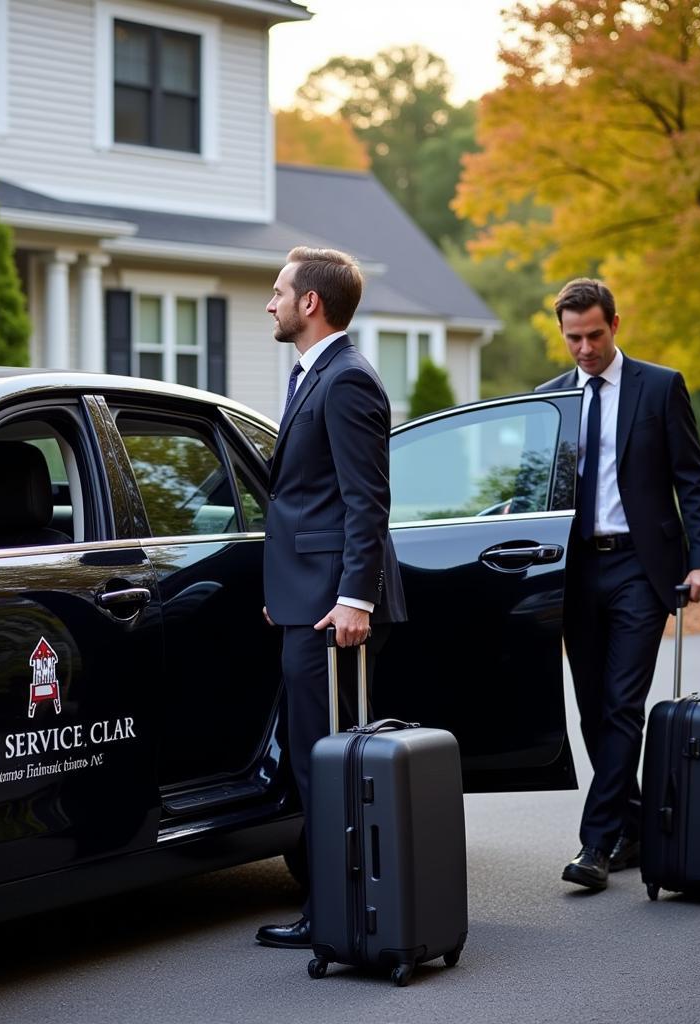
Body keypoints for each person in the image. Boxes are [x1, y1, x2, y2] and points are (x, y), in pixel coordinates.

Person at [538, 278, 700, 891]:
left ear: (615, 323)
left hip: (641, 569)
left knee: (621, 703)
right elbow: (538, 487)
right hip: (576, 571)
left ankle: (597, 842)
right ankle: (636, 825)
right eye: (573, 338)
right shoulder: (551, 400)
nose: (584, 348)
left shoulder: (659, 387)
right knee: (593, 708)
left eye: (594, 335)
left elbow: (692, 479)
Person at [255, 246, 407, 948]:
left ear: (310, 303)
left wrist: (355, 599)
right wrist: (284, 589)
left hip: (331, 614)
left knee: (327, 765)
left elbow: (365, 502)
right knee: (314, 761)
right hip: (305, 601)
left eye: (280, 291)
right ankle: (337, 911)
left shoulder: (346, 381)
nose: (271, 302)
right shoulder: (310, 376)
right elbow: (307, 501)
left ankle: (336, 916)